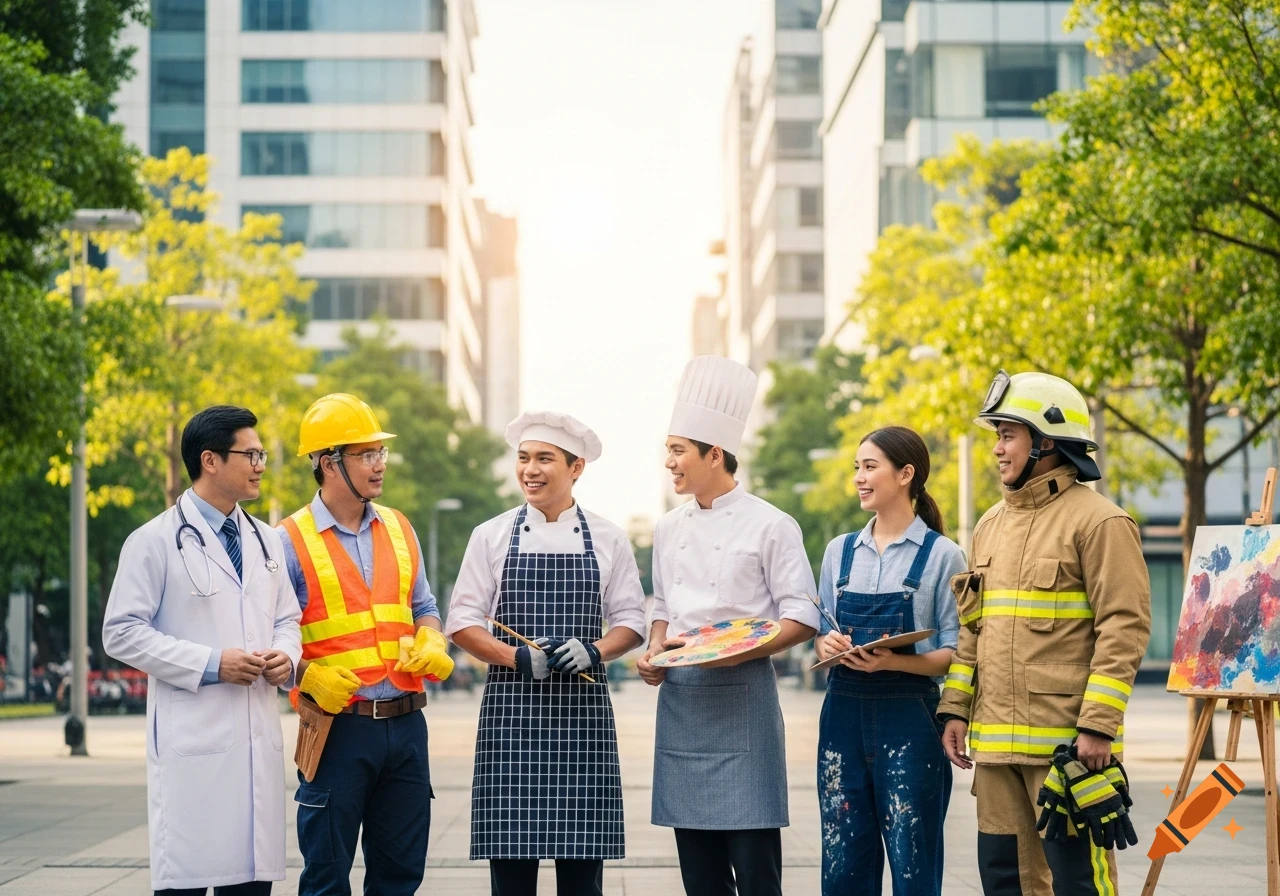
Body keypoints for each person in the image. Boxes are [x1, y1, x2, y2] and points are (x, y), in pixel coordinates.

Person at [937, 371, 1151, 895]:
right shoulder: (988, 525)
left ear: (1047, 441)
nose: (997, 449)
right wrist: (955, 708)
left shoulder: (1101, 523)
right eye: (996, 436)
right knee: (1005, 880)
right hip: (995, 753)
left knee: (1079, 882)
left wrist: (1098, 726)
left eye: (1008, 434)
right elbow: (973, 631)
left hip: (1069, 750)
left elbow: (1124, 627)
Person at [637, 355, 820, 896]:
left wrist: (736, 652)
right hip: (684, 699)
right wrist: (654, 651)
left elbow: (803, 614)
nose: (669, 463)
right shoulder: (669, 529)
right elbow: (662, 603)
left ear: (714, 454)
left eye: (677, 451)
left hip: (744, 697)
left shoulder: (772, 524)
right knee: (700, 874)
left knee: (757, 872)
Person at [103, 406, 302, 895]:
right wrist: (211, 664)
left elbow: (287, 618)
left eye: (260, 454)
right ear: (209, 460)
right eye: (249, 454)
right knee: (188, 881)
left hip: (256, 734)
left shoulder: (267, 542)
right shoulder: (153, 541)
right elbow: (121, 631)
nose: (260, 464)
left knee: (252, 883)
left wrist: (285, 655)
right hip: (193, 740)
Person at [447, 411, 646, 896]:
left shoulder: (608, 537)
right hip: (510, 718)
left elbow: (632, 622)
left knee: (583, 877)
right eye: (523, 459)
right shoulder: (490, 535)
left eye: (544, 459)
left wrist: (593, 650)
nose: (530, 470)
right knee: (511, 875)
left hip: (583, 720)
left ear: (576, 468)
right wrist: (515, 657)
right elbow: (462, 622)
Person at [279, 393, 454, 896]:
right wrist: (304, 675)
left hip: (405, 726)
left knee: (400, 877)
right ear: (328, 462)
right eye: (366, 454)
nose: (379, 465)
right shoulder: (288, 540)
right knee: (327, 878)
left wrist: (432, 636)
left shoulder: (399, 527)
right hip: (337, 730)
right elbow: (268, 636)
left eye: (381, 453)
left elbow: (424, 604)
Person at [813, 426, 964, 895]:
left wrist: (892, 663)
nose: (859, 477)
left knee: (913, 863)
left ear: (905, 474)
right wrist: (826, 647)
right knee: (843, 864)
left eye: (869, 466)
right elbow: (821, 633)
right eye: (857, 467)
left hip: (912, 721)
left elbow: (956, 654)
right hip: (842, 717)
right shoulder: (839, 552)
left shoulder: (944, 555)